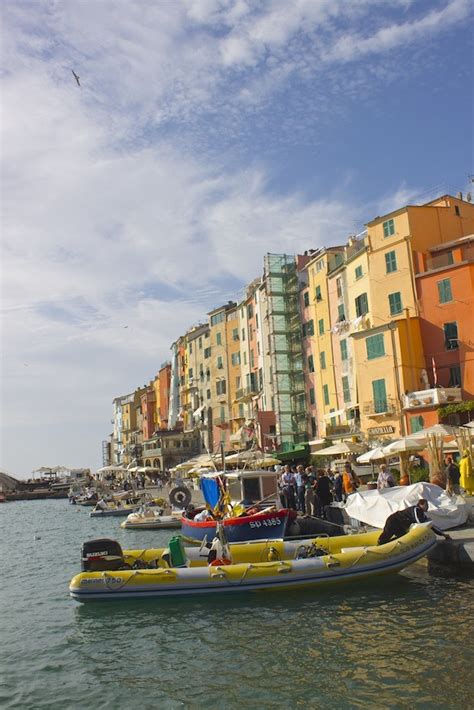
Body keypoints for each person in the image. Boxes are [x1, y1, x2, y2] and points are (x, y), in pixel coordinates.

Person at [378, 498, 451, 545]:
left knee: (401, 538)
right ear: (420, 505)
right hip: (393, 521)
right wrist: (427, 521)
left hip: (400, 526)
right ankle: (377, 547)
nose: (428, 507)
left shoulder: (422, 514)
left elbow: (430, 526)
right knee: (384, 538)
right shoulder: (416, 510)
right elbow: (420, 522)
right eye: (426, 505)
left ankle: (388, 546)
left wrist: (443, 534)